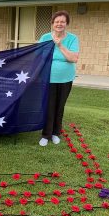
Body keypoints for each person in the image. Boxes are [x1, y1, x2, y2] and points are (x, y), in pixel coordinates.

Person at [38, 10, 79, 147]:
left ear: (66, 23)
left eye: (62, 21)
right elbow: (38, 56)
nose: (59, 24)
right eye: (57, 22)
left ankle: (55, 133)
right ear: (52, 24)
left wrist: (60, 45)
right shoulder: (45, 37)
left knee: (59, 107)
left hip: (66, 79)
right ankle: (46, 134)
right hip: (48, 79)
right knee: (48, 107)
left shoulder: (72, 38)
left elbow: (73, 58)